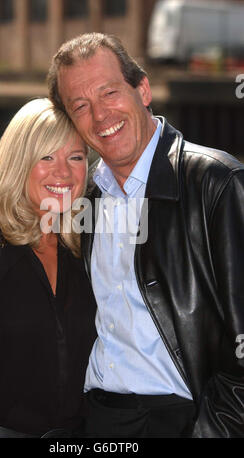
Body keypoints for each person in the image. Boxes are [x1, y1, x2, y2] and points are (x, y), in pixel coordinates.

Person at [47, 33, 244, 438]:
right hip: (98, 418)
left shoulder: (215, 183)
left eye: (109, 93)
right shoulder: (84, 198)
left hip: (185, 420)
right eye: (80, 106)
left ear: (143, 90)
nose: (100, 115)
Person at [0, 98, 97, 438]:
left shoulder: (85, 249)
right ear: (18, 162)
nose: (63, 172)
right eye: (46, 157)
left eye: (76, 157)